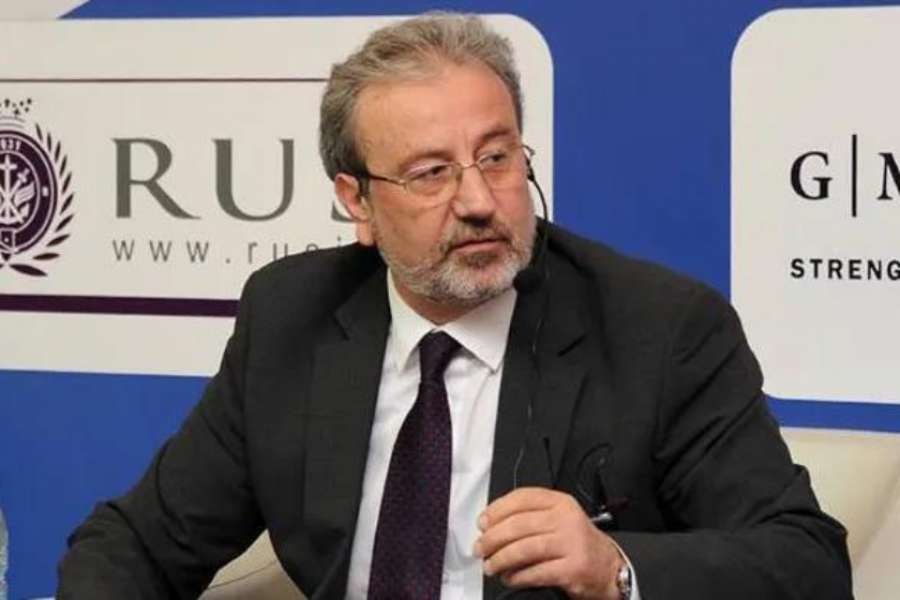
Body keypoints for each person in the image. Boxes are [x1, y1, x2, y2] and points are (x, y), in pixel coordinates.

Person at [57, 12, 852, 600]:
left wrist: (616, 567)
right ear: (357, 201)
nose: (477, 201)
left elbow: (809, 564)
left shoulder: (658, 329)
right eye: (431, 173)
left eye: (496, 158)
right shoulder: (291, 317)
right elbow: (133, 545)